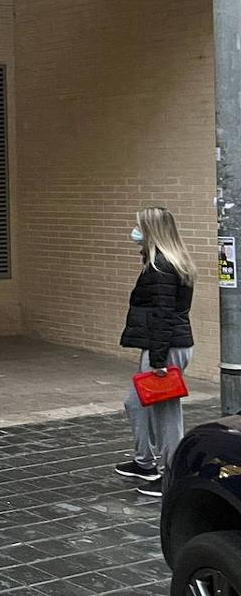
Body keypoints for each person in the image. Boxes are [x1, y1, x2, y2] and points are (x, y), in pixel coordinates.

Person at [115, 207, 196, 498]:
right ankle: (145, 462)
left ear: (151, 230)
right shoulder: (163, 261)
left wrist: (159, 360)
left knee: (165, 414)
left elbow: (162, 314)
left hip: (165, 347)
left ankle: (170, 474)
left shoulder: (162, 266)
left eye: (139, 226)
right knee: (138, 404)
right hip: (163, 344)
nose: (134, 231)